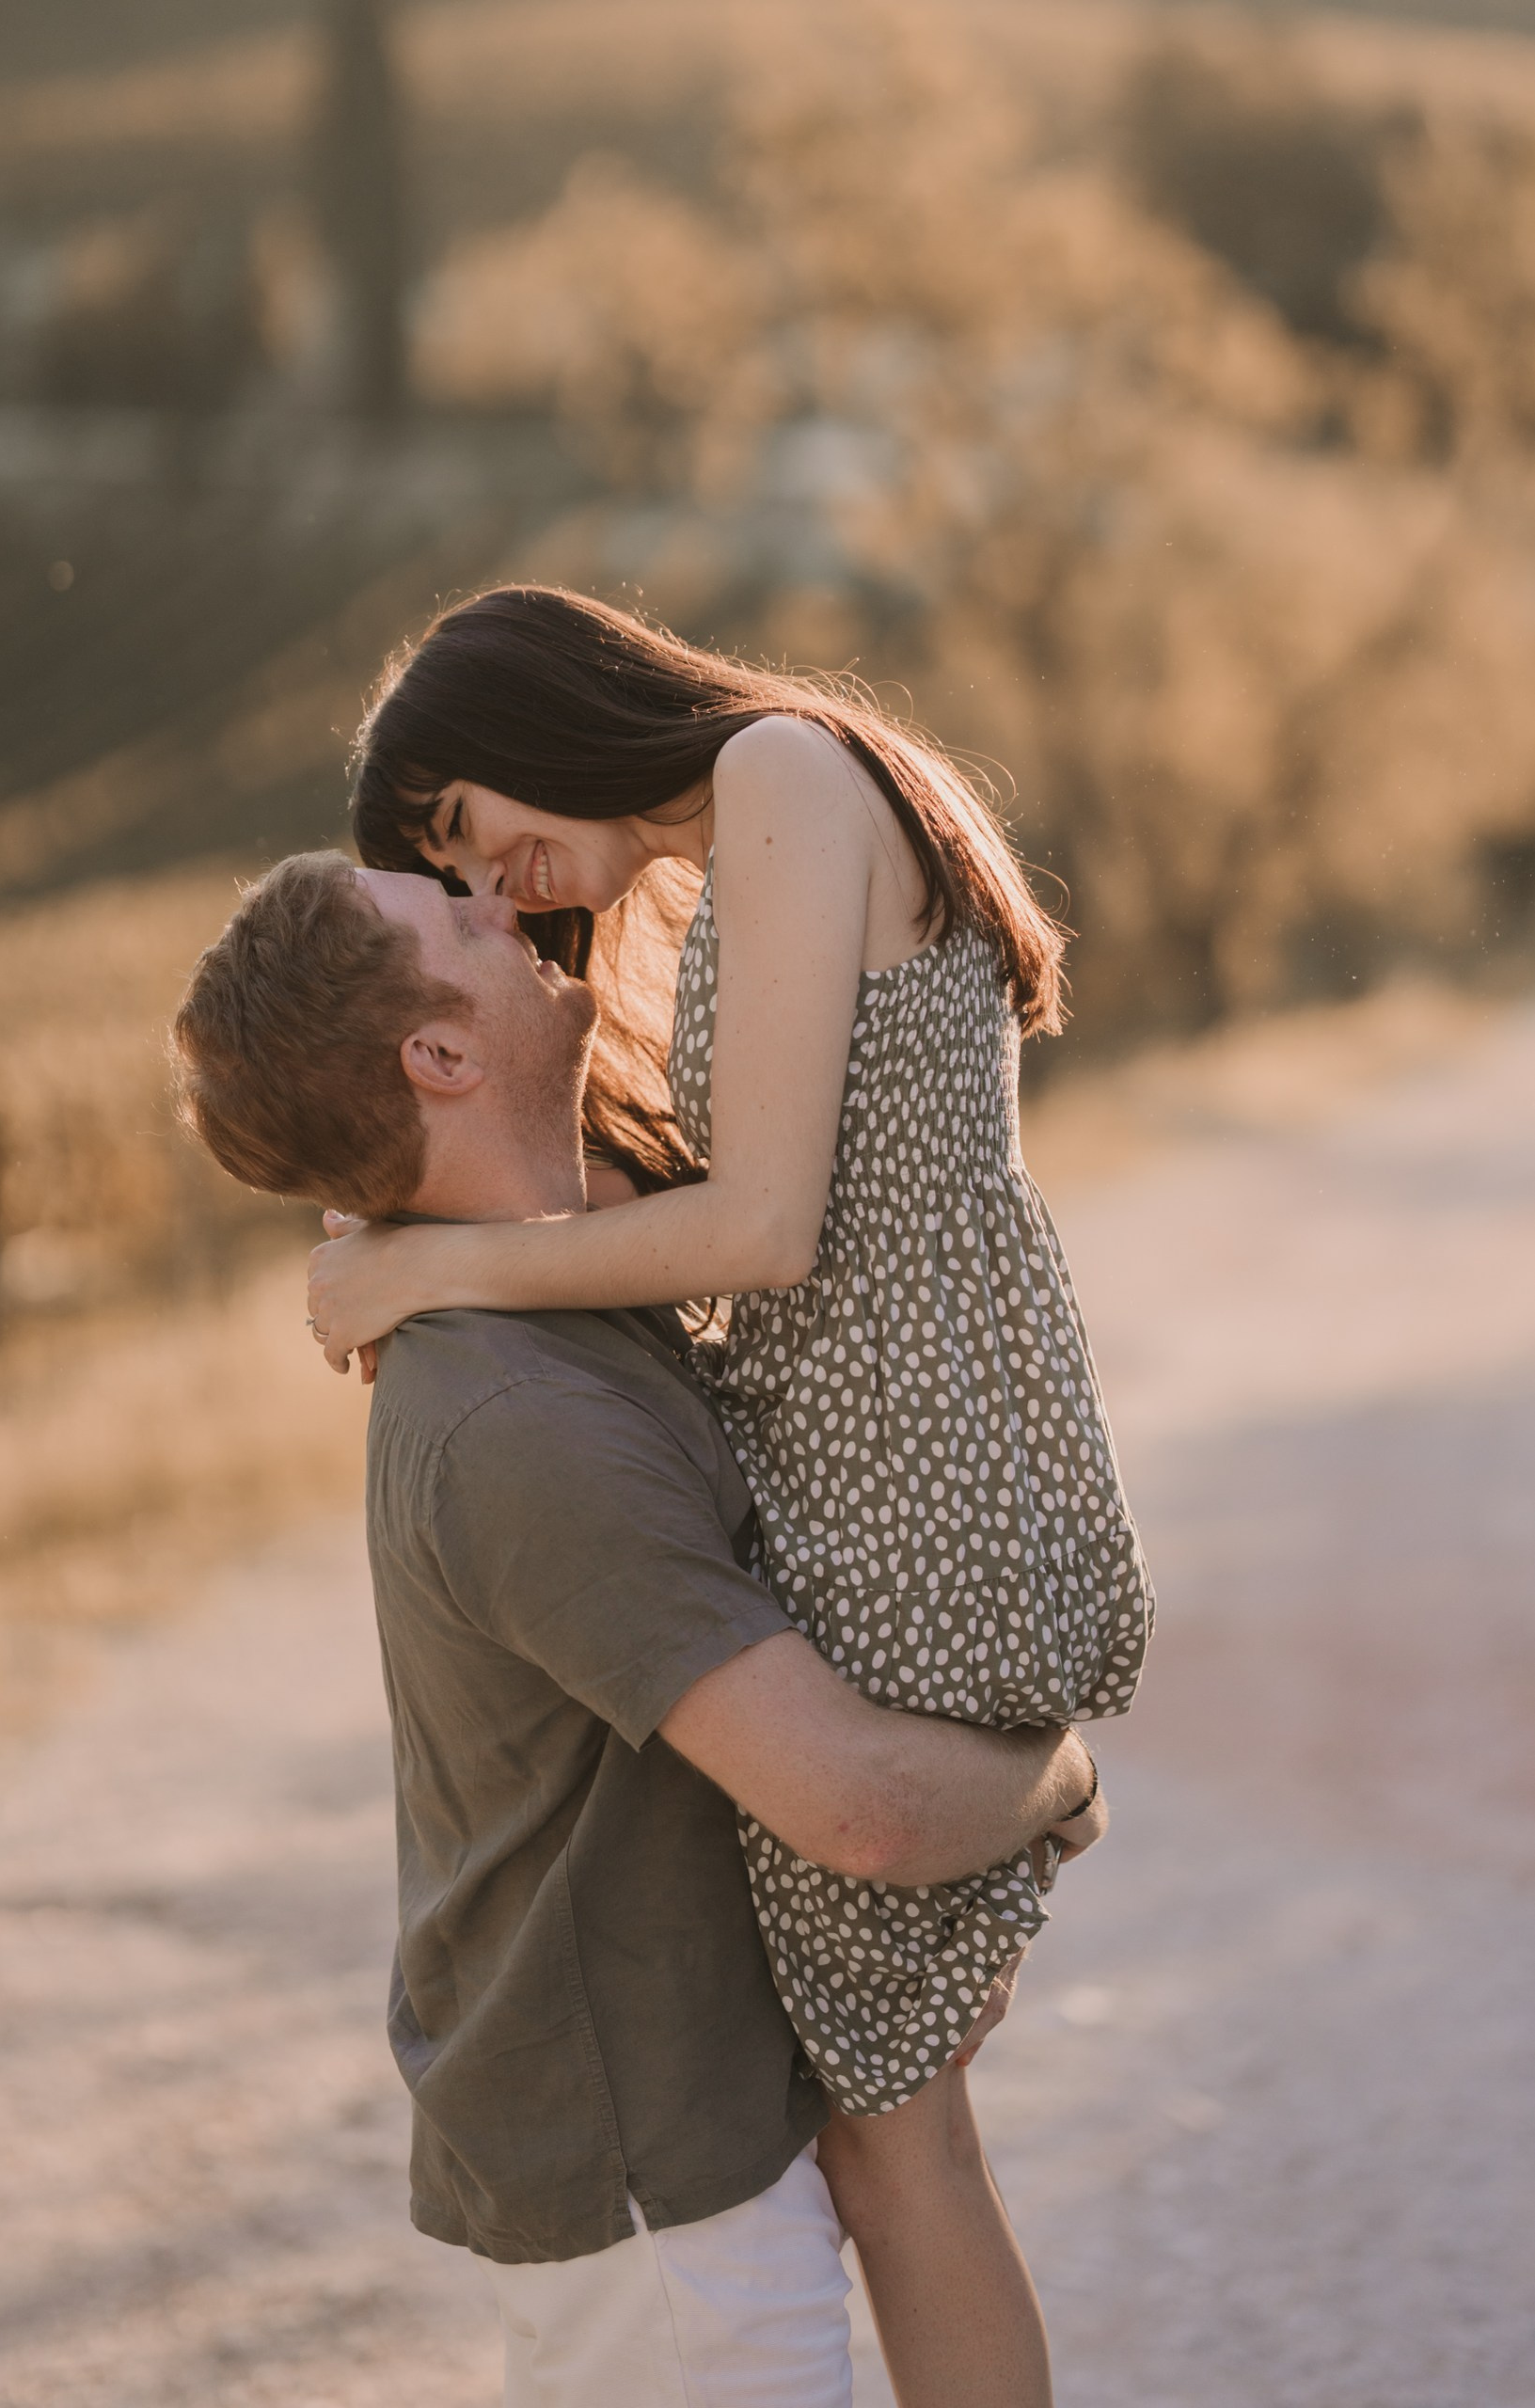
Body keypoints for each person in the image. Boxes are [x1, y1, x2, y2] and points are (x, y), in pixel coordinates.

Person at [303, 585, 1157, 2407]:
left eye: (468, 821)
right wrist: (404, 1215)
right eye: (457, 872)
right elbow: (701, 1194)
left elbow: (762, 1232)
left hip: (905, 1475)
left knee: (900, 2140)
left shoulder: (775, 767)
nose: (503, 876)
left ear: (546, 701)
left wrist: (431, 1279)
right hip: (905, 1451)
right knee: (898, 2132)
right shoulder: (715, 847)